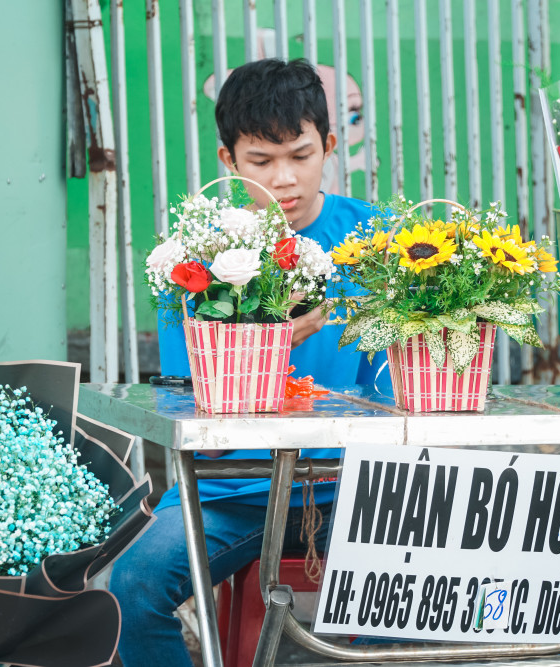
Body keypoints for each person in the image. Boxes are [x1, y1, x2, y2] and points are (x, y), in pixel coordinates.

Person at [110, 58, 390, 666]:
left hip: (360, 488)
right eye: (261, 161)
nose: (284, 179)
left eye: (300, 155)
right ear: (227, 160)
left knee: (417, 595)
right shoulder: (192, 256)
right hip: (233, 491)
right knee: (131, 589)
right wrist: (265, 347)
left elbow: (395, 395)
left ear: (330, 146)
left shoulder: (375, 241)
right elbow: (189, 408)